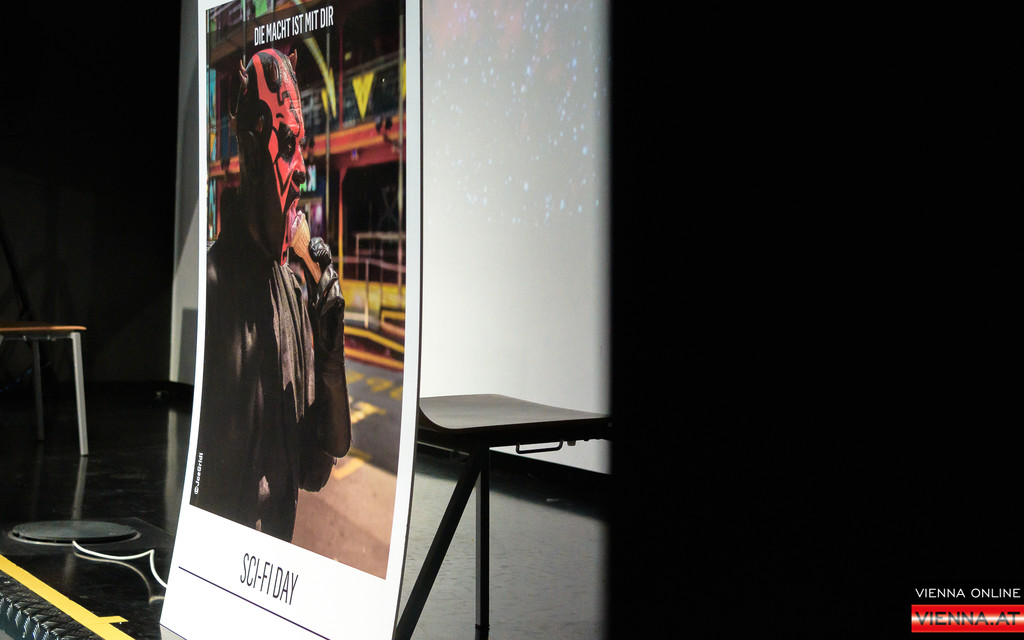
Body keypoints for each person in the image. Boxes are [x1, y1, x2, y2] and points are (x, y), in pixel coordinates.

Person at [191, 48, 351, 542]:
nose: (302, 169)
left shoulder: (294, 294)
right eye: (287, 144)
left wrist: (330, 357)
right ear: (251, 148)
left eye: (302, 147)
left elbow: (317, 467)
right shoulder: (212, 285)